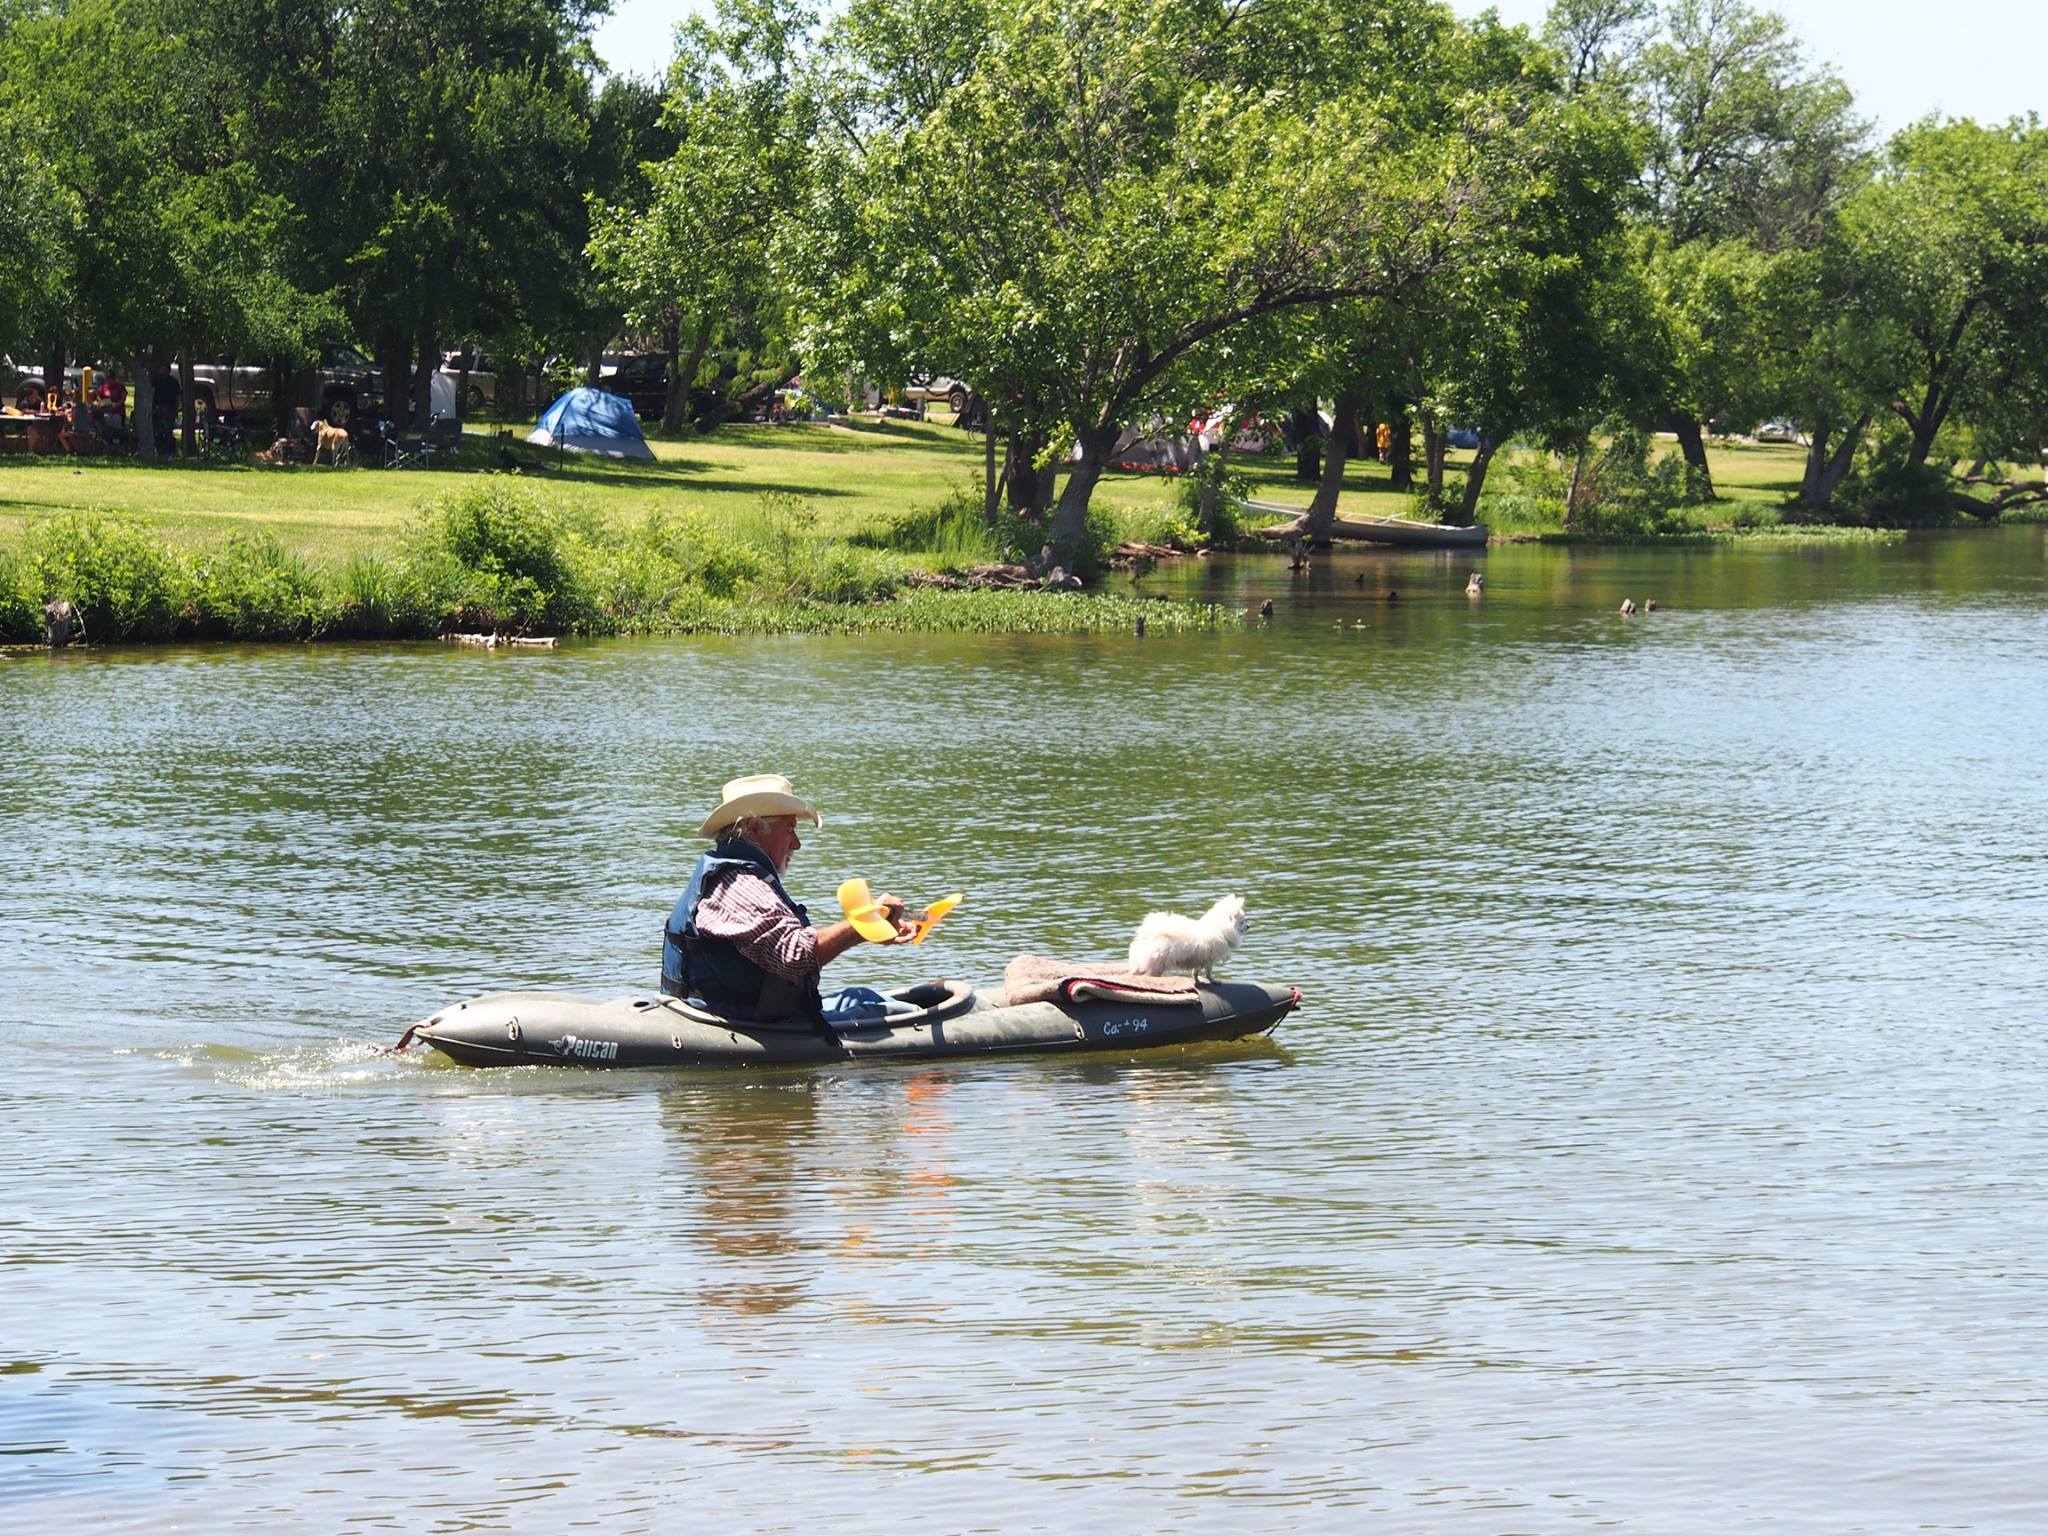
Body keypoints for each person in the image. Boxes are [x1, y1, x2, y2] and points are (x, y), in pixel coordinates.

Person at [662, 774, 916, 1025]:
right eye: (790, 829)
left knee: (861, 997)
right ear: (754, 827)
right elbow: (795, 957)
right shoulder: (742, 885)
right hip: (744, 1023)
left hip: (742, 1011)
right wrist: (864, 924)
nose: (797, 844)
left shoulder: (734, 875)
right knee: (906, 1012)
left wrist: (872, 928)